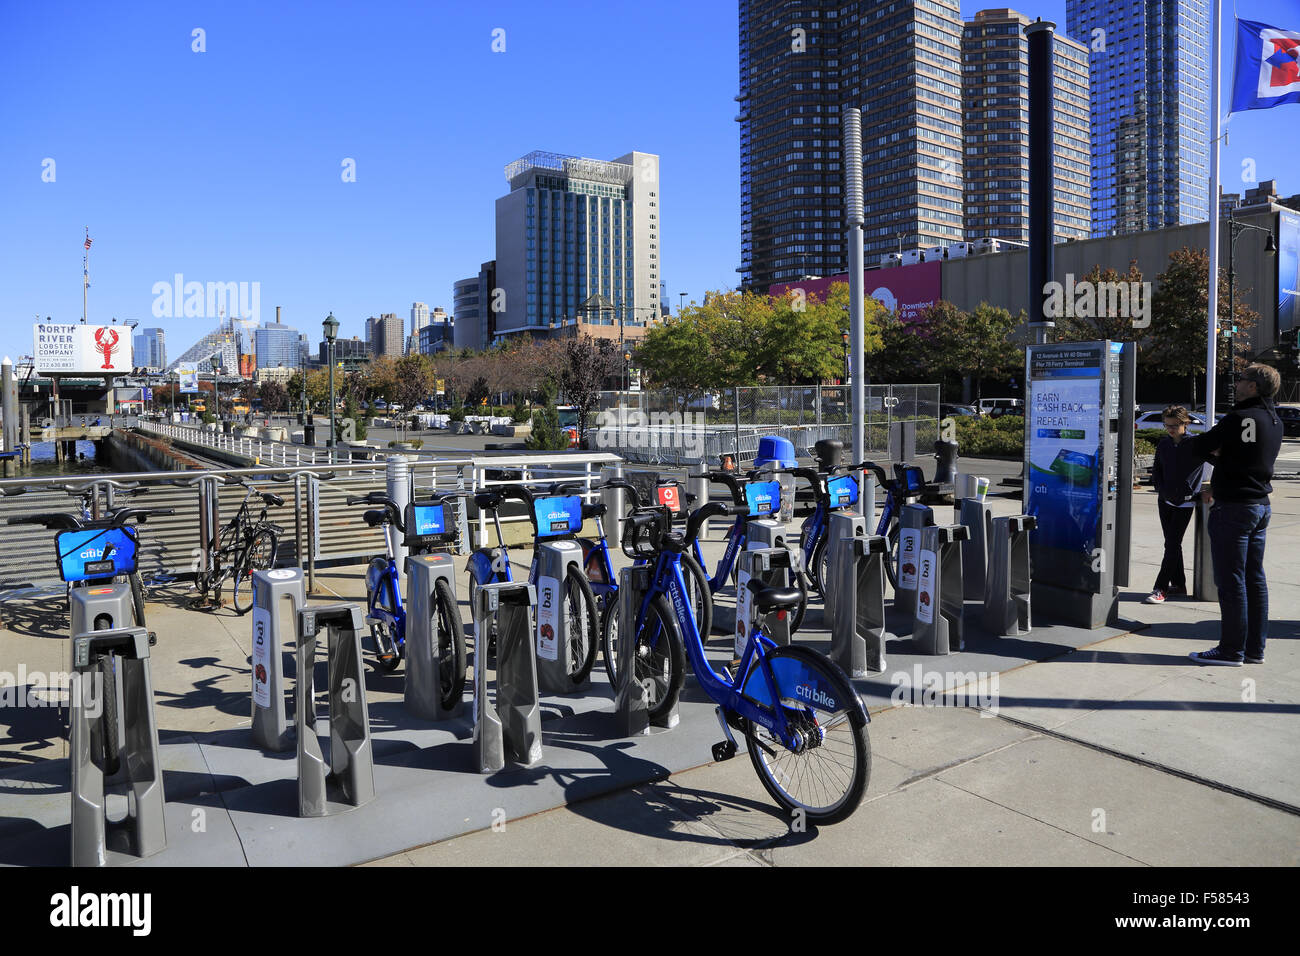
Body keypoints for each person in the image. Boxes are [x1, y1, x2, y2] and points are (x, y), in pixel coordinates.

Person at [1183, 364, 1284, 666]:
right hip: (1259, 506)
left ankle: (1231, 650)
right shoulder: (1274, 419)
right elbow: (1248, 454)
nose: (1236, 384)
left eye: (1240, 380)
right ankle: (1255, 648)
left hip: (1234, 507)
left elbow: (1198, 446)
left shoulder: (1239, 418)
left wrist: (1218, 453)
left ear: (1253, 386)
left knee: (1231, 581)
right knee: (1255, 579)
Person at [1145, 405, 1211, 604]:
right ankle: (1179, 584)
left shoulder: (1195, 444)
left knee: (1172, 544)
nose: (1170, 429)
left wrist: (1211, 487)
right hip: (1164, 500)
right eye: (1167, 425)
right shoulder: (1164, 444)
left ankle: (1160, 588)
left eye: (1174, 425)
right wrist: (1160, 488)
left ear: (1186, 424)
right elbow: (1157, 468)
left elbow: (1221, 463)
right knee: (1172, 544)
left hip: (1185, 502)